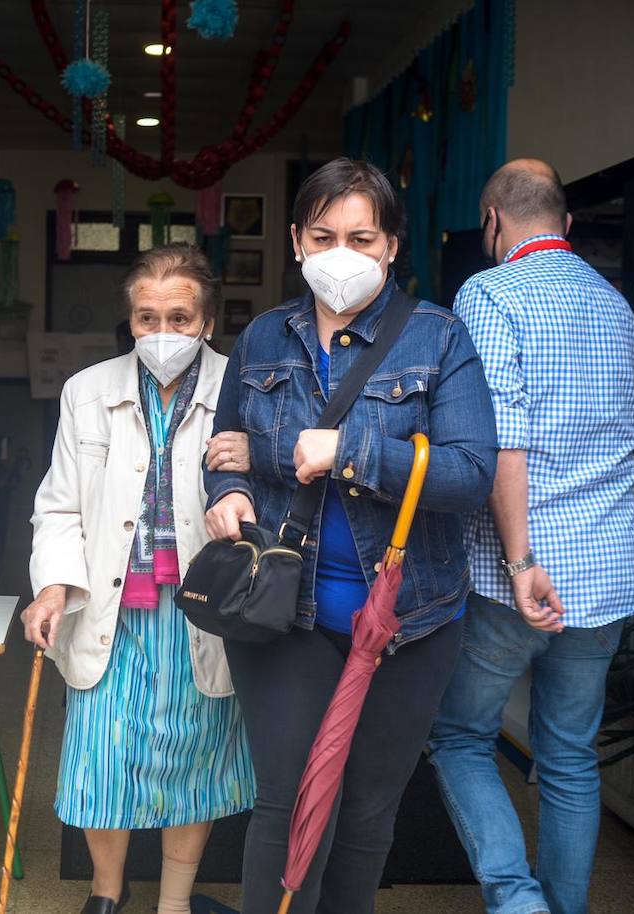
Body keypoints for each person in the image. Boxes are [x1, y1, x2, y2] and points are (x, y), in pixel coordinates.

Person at [203, 158, 498, 914]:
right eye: (325, 234)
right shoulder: (264, 338)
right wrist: (228, 491)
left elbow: (468, 476)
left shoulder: (439, 339)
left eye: (362, 237)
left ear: (393, 245)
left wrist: (351, 451)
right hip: (282, 613)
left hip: (408, 621)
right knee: (289, 805)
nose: (343, 254)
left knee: (366, 814)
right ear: (298, 240)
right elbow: (225, 444)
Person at [426, 159, 634, 914]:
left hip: (517, 574)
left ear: (491, 221)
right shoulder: (617, 307)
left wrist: (520, 562)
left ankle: (519, 904)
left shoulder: (488, 294)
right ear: (568, 224)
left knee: (459, 737)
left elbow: (504, 442)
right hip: (607, 573)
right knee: (570, 760)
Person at [23, 244, 256, 914]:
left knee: (194, 755)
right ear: (129, 321)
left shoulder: (242, 389)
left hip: (201, 609)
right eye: (147, 318)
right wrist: (52, 587)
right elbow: (59, 505)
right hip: (111, 606)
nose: (163, 334)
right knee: (102, 758)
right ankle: (105, 894)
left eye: (179, 318)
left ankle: (174, 904)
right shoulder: (87, 392)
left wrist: (254, 461)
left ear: (207, 319)